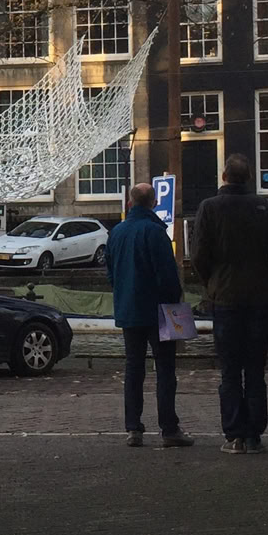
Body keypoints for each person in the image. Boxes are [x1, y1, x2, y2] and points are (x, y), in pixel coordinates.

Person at [193, 155, 268, 454]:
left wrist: (212, 282)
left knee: (230, 369)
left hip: (225, 297)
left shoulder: (209, 208)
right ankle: (254, 435)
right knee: (256, 368)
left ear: (224, 177)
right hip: (259, 297)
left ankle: (234, 434)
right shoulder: (263, 207)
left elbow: (199, 255)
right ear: (248, 177)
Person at [106, 182, 195, 450]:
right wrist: (175, 302)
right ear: (153, 203)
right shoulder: (156, 232)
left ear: (130, 203)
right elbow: (168, 276)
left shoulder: (117, 232)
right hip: (159, 311)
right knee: (165, 370)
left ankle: (133, 427)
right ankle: (169, 428)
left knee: (134, 369)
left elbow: (111, 272)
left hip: (129, 309)